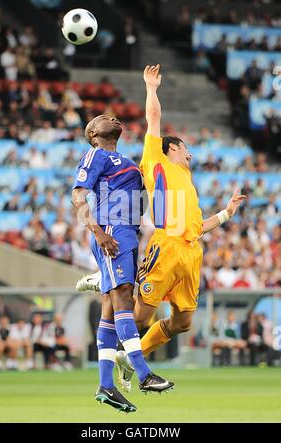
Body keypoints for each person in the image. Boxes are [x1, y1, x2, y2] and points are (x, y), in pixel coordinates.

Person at [76, 65, 246, 392]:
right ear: (172, 149)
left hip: (190, 250)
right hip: (165, 246)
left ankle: (130, 357)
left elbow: (196, 227)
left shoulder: (188, 183)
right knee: (138, 317)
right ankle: (103, 280)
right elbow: (153, 118)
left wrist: (225, 213)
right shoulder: (156, 162)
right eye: (185, 149)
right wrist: (151, 88)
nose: (191, 154)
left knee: (182, 322)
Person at [71, 113, 173, 413]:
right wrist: (99, 232)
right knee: (124, 299)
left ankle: (106, 384)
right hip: (111, 230)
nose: (111, 117)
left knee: (110, 307)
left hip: (128, 231)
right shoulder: (96, 154)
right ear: (93, 133)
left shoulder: (126, 161)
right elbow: (78, 197)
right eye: (101, 118)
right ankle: (143, 374)